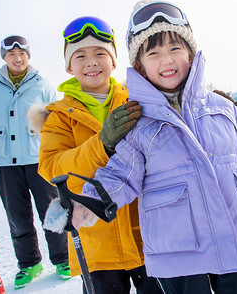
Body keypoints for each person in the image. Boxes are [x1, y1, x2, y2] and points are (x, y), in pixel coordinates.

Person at [65, 0, 237, 294]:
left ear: (191, 55)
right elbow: (119, 176)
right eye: (154, 53)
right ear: (140, 66)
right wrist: (85, 204)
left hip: (236, 247)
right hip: (179, 262)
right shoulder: (138, 124)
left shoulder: (220, 108)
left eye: (175, 49)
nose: (166, 60)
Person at [30, 17, 162, 294]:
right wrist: (101, 144)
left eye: (100, 53)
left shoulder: (137, 99)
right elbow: (53, 169)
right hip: (97, 246)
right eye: (80, 56)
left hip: (150, 237)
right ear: (69, 65)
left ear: (113, 61)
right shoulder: (58, 117)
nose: (91, 62)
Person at [0, 35, 70, 289]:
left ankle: (63, 259)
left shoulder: (41, 84)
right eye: (11, 54)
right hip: (5, 162)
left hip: (37, 158)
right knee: (17, 215)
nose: (17, 58)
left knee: (51, 210)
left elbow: (56, 117)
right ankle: (30, 264)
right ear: (4, 57)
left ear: (28, 56)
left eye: (21, 54)